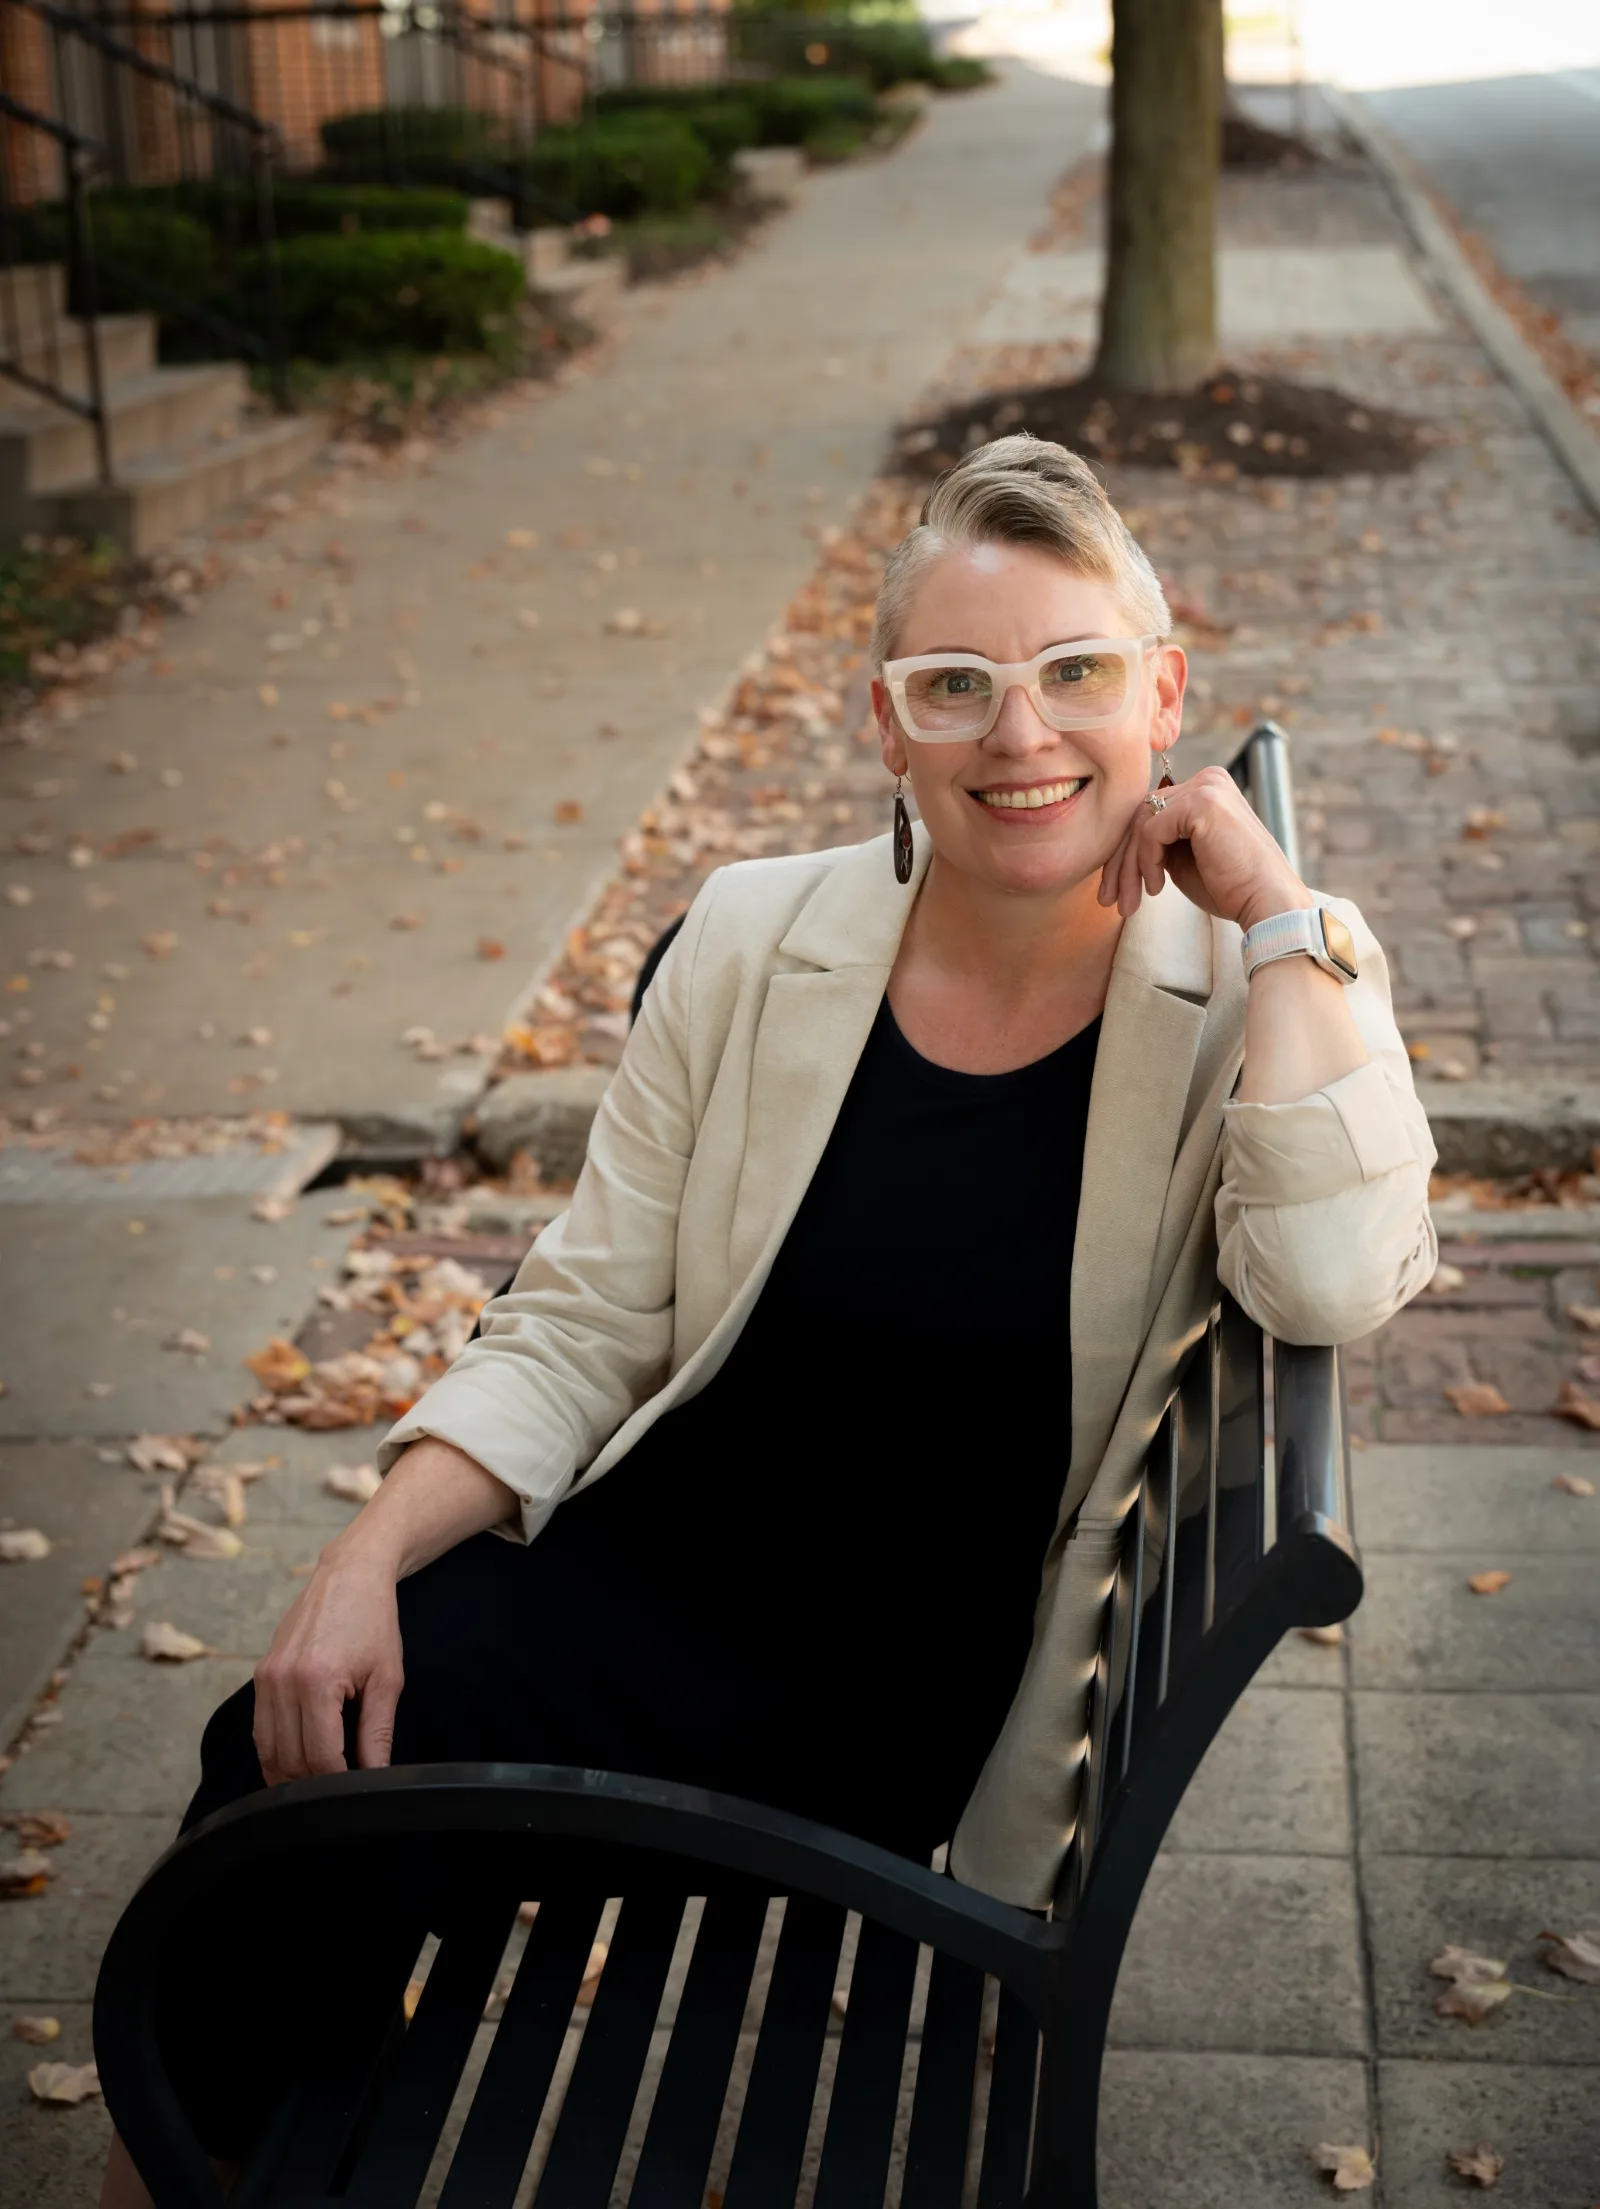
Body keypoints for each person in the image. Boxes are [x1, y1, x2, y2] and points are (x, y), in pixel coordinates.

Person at [100, 436, 1435, 2205]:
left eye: (1074, 675)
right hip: (650, 1566)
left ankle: (224, 2162)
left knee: (332, 1803)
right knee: (298, 1740)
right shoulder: (750, 937)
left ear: (1162, 695)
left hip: (870, 1693)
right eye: (953, 686)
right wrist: (364, 1556)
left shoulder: (1245, 991)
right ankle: (239, 2161)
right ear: (887, 726)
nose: (1019, 737)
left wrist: (1276, 914)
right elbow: (583, 1306)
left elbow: (1337, 1279)